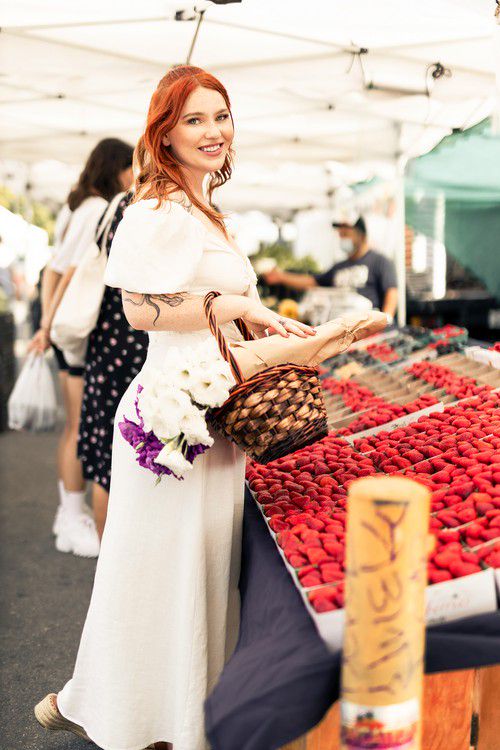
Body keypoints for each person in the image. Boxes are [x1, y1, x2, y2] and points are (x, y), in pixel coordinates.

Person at [34, 66, 385, 750]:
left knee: (188, 575)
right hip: (169, 419)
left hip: (212, 412)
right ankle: (139, 715)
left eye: (220, 116)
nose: (212, 131)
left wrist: (269, 330)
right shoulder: (156, 210)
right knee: (160, 574)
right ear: (163, 132)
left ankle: (140, 707)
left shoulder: (202, 210)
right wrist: (238, 306)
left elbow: (213, 318)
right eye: (193, 119)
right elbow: (139, 311)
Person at [28, 138, 134, 557]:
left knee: (79, 426)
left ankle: (70, 514)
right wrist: (47, 325)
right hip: (79, 331)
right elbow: (63, 270)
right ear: (115, 168)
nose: (134, 176)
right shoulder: (95, 209)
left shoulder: (79, 206)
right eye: (130, 167)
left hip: (71, 328)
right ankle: (73, 517)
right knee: (79, 426)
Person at [77, 191, 148, 538]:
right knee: (142, 451)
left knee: (108, 447)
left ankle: (106, 554)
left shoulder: (115, 205)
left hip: (106, 343)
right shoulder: (155, 209)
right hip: (140, 343)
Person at [264, 216, 398, 320]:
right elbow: (312, 282)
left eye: (346, 234)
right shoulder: (339, 267)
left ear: (361, 235)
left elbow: (391, 292)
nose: (342, 239)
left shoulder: (380, 261)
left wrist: (386, 320)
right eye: (340, 235)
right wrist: (281, 277)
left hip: (369, 326)